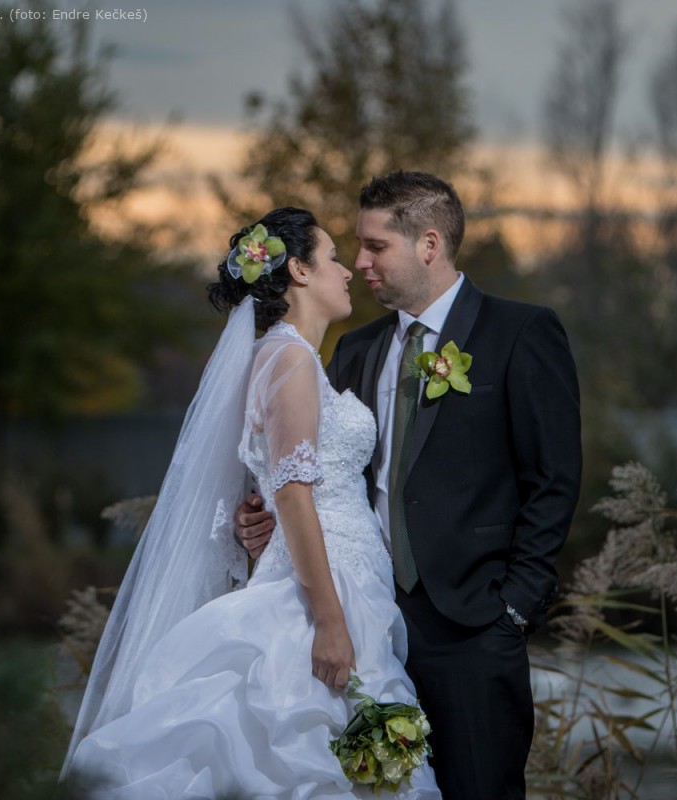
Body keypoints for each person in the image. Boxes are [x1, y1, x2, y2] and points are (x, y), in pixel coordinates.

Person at [63, 207, 441, 799]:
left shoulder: (286, 357)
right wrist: (329, 622)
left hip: (344, 578)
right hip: (327, 590)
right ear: (299, 271)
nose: (348, 271)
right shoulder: (290, 360)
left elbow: (274, 485)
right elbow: (292, 493)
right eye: (333, 257)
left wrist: (252, 520)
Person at [238, 172, 583, 799]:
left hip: (476, 626)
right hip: (370, 624)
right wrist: (264, 519)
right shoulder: (355, 349)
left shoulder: (520, 332)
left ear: (429, 244)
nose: (361, 262)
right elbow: (315, 469)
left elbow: (553, 478)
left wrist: (514, 607)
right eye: (356, 247)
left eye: (376, 246)